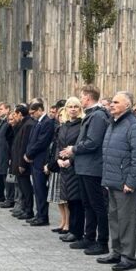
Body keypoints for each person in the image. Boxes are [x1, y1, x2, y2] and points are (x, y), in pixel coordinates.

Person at [98, 91, 136, 271]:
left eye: (116, 102)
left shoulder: (133, 126)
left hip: (125, 183)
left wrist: (131, 182)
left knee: (126, 220)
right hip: (112, 181)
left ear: (127, 105)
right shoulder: (113, 124)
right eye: (111, 102)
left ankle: (128, 257)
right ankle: (116, 251)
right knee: (114, 218)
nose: (111, 105)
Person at [60, 85, 110, 256]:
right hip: (84, 167)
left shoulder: (97, 116)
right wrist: (72, 159)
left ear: (88, 97)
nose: (80, 100)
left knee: (97, 206)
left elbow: (93, 142)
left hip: (93, 168)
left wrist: (73, 149)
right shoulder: (92, 115)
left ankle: (102, 241)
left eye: (81, 97)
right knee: (88, 204)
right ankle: (89, 237)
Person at [54, 98, 84, 241]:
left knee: (76, 200)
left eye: (76, 107)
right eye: (70, 107)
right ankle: (71, 228)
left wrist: (70, 161)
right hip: (63, 168)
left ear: (80, 109)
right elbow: (58, 145)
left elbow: (81, 146)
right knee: (69, 200)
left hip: (76, 167)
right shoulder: (63, 126)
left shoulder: (82, 125)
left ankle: (76, 231)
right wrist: (58, 159)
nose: (73, 109)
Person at [24, 99, 54, 226]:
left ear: (40, 110)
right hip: (35, 160)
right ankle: (39, 214)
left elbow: (41, 142)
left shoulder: (47, 122)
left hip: (41, 160)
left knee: (41, 189)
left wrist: (29, 154)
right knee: (37, 188)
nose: (31, 115)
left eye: (33, 112)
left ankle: (43, 217)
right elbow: (32, 140)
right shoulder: (38, 122)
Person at [10, 104, 34, 219]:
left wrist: (22, 164)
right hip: (18, 161)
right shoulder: (22, 124)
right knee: (22, 187)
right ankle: (24, 208)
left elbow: (24, 146)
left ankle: (28, 210)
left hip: (22, 162)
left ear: (20, 114)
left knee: (26, 188)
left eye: (15, 114)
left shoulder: (28, 125)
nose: (14, 117)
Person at [0, 102, 13, 204]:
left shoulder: (9, 121)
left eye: (1, 109)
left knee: (6, 176)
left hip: (5, 152)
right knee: (0, 174)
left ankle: (9, 198)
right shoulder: (1, 121)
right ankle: (2, 195)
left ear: (7, 110)